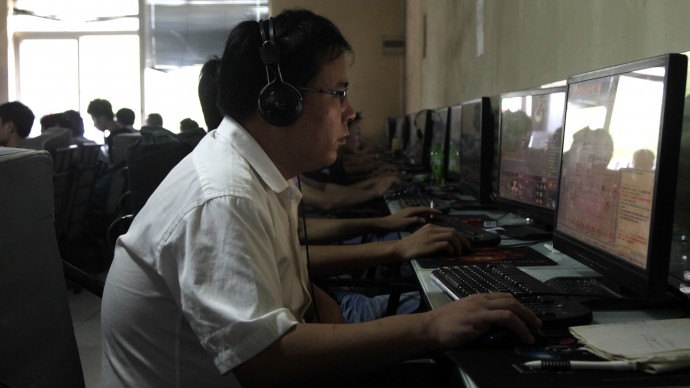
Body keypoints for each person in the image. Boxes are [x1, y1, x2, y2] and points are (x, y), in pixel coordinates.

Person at [101, 11, 540, 387]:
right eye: (338, 93)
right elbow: (266, 361)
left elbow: (291, 293)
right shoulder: (223, 196)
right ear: (280, 103)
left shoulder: (251, 173)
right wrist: (430, 326)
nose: (349, 112)